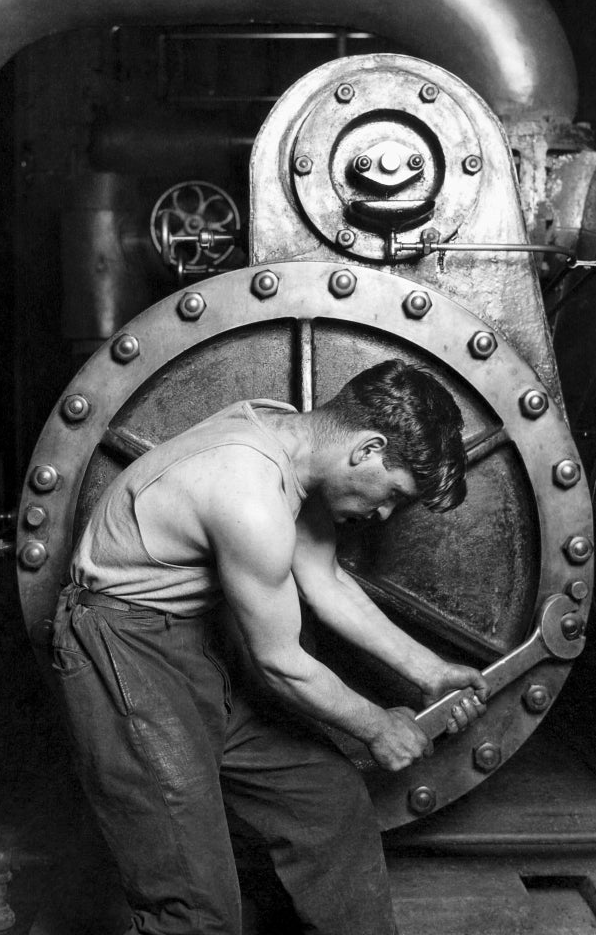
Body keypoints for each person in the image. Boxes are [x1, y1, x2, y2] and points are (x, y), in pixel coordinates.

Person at [52, 359, 489, 935]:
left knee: (327, 804)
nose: (383, 514)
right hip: (124, 652)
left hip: (199, 642)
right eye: (393, 494)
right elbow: (280, 662)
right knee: (195, 906)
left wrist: (431, 671)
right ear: (367, 449)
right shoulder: (248, 491)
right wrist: (378, 725)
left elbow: (325, 579)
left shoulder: (290, 439)